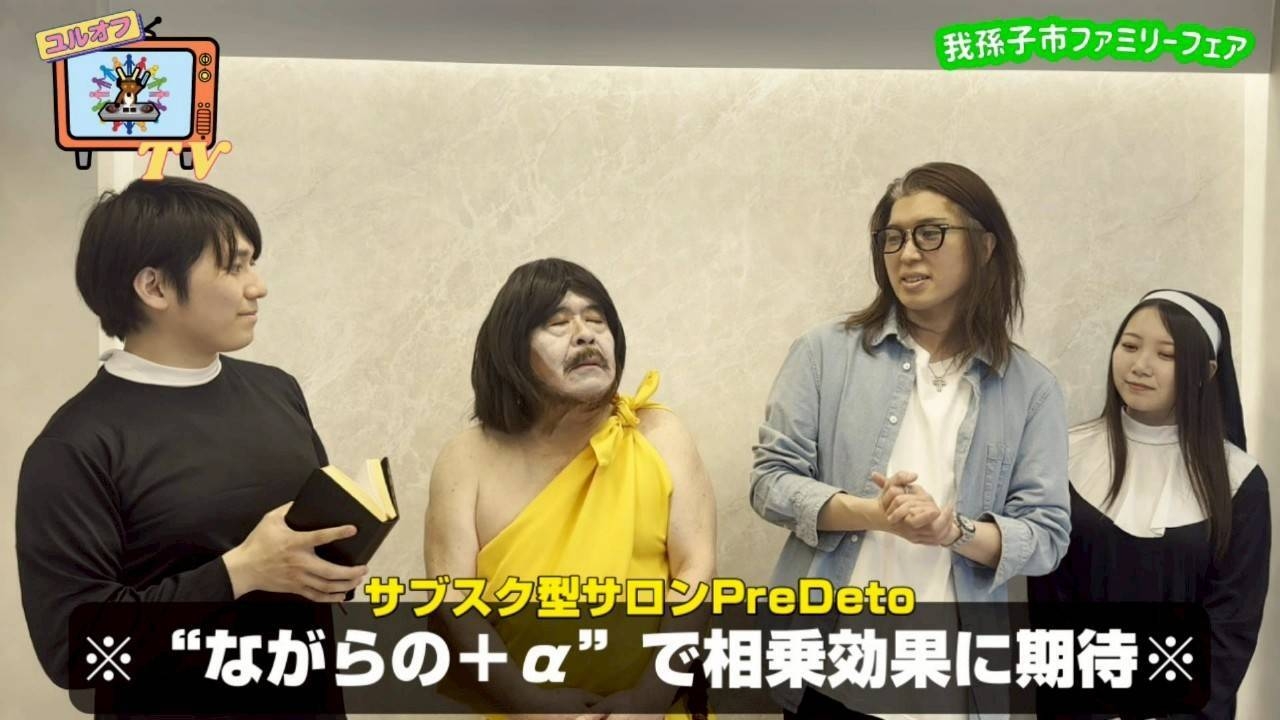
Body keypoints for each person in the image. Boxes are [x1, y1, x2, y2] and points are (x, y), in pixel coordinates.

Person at [15, 177, 365, 717]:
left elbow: (301, 549)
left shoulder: (277, 390)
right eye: (234, 266)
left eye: (252, 263)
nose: (258, 287)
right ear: (154, 287)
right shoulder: (75, 447)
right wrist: (239, 572)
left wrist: (335, 560)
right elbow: (74, 651)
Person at [750, 162, 1071, 719]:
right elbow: (769, 482)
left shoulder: (1031, 388)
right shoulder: (825, 353)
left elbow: (1046, 536)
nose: (907, 254)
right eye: (893, 238)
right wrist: (872, 515)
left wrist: (954, 531)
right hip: (828, 676)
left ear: (985, 246)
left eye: (930, 233)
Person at [424, 257, 716, 718]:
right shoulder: (466, 458)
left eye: (597, 321)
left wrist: (651, 698)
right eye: (558, 324)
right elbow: (452, 603)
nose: (585, 335)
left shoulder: (661, 434)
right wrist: (528, 701)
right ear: (512, 349)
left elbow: (695, 571)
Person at [1027, 290, 1270, 720]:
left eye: (1166, 354)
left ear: (1206, 372)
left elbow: (1232, 623)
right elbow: (1050, 603)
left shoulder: (1240, 481)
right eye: (1130, 345)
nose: (1140, 365)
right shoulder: (1066, 455)